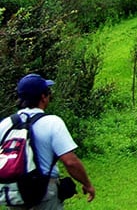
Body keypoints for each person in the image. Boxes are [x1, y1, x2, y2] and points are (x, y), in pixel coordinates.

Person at [0, 73, 96, 208]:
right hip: (44, 190)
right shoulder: (52, 122)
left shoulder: (6, 123)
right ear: (43, 97)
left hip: (14, 192)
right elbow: (70, 161)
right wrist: (87, 184)